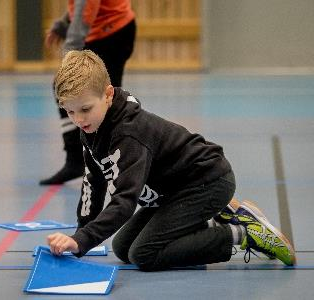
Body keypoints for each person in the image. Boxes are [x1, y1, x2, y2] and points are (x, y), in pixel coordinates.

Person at [46, 50, 296, 270]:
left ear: (108, 94)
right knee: (123, 248)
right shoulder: (91, 129)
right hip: (172, 193)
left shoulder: (129, 134)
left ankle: (243, 232)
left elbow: (124, 202)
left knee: (144, 254)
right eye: (70, 111)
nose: (78, 119)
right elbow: (93, 182)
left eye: (85, 109)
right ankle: (219, 214)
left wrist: (82, 240)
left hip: (207, 181)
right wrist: (81, 234)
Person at [40, 0, 136, 185]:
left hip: (113, 32)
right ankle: (77, 159)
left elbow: (86, 10)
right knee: (67, 88)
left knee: (105, 97)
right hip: (107, 29)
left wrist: (70, 54)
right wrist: (63, 24)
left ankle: (124, 160)